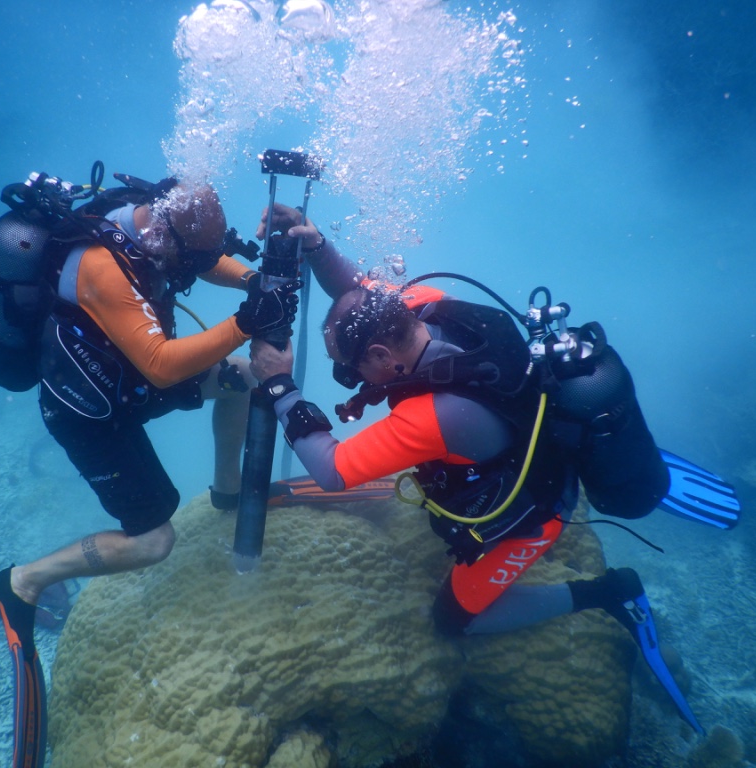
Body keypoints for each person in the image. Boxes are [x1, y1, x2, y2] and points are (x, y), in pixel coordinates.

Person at [247, 202, 714, 733]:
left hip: (539, 510)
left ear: (381, 354)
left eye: (351, 367)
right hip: (523, 434)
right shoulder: (428, 307)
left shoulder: (435, 418)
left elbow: (332, 470)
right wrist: (317, 246)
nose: (348, 376)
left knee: (454, 619)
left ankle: (608, 593)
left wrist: (279, 386)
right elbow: (358, 294)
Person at [0, 179, 297, 767]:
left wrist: (253, 282)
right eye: (188, 257)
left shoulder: (151, 222)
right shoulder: (103, 265)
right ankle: (23, 581)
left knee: (243, 380)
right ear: (161, 232)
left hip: (123, 379)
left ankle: (228, 492)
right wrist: (246, 322)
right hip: (89, 411)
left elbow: (204, 261)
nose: (193, 268)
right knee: (154, 539)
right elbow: (159, 367)